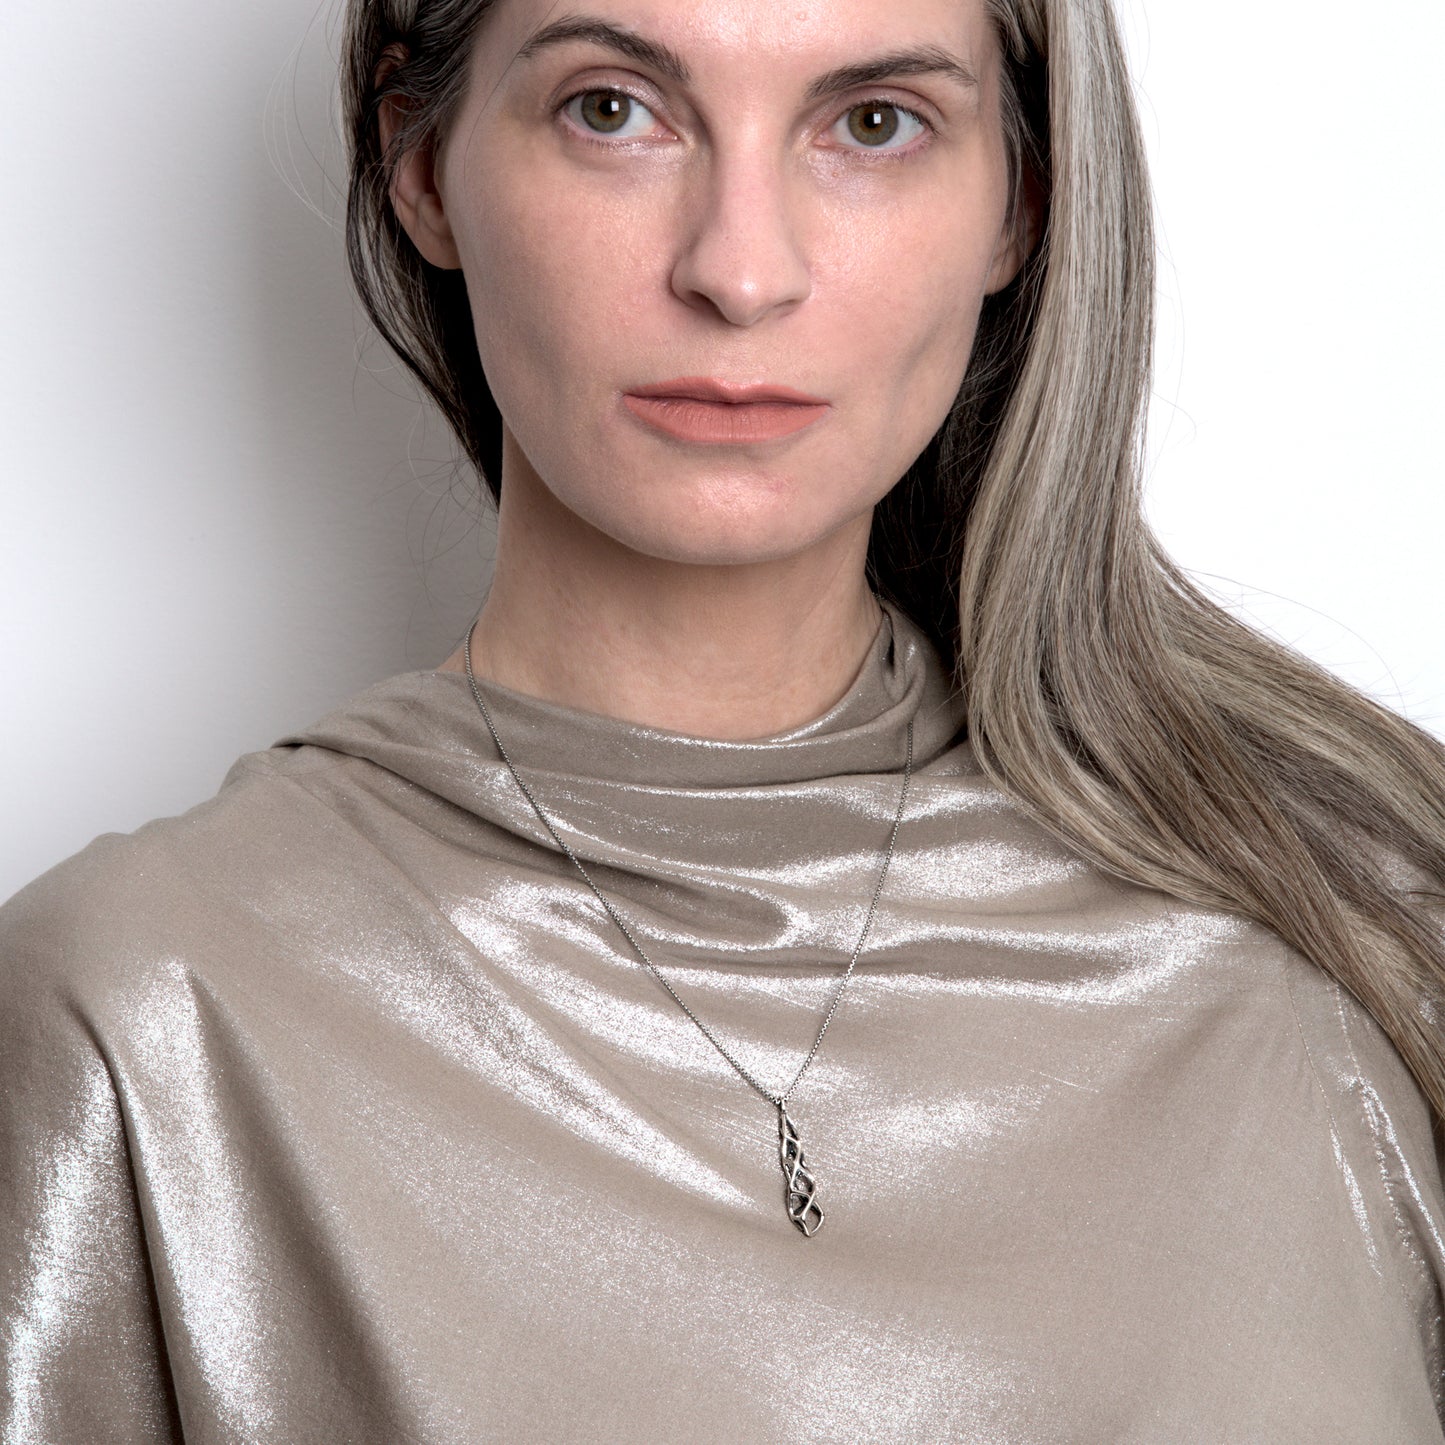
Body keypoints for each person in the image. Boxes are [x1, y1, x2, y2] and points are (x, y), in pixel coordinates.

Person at [4, 0, 1444, 1439]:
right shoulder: (147, 1019)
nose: (741, 272)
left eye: (872, 124)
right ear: (421, 164)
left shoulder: (1360, 937)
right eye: (613, 110)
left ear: (1023, 202)